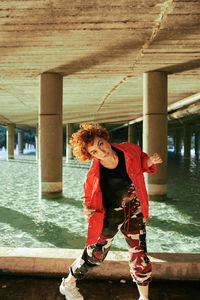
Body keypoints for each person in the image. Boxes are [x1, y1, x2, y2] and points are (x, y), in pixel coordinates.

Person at [59, 123, 163, 300]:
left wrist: (149, 162)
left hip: (133, 211)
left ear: (104, 138)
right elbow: (87, 199)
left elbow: (140, 161)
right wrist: (87, 211)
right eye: (94, 151)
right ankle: (68, 284)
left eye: (100, 143)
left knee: (140, 256)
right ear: (91, 156)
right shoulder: (93, 174)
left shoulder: (129, 150)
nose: (101, 151)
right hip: (109, 217)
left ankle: (144, 298)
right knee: (95, 256)